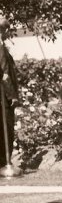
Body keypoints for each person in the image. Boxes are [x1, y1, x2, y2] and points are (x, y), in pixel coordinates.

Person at [0, 17, 19, 168]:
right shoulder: (0, 49)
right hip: (3, 99)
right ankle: (4, 163)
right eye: (6, 30)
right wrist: (12, 96)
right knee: (6, 129)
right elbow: (5, 74)